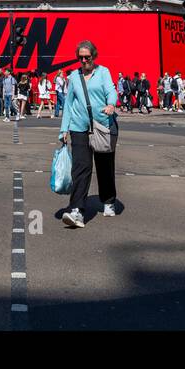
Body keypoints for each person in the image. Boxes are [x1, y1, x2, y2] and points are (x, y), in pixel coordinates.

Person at [58, 40, 119, 229]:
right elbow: (68, 104)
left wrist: (111, 104)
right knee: (81, 168)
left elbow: (111, 91)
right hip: (79, 127)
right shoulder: (73, 77)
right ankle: (77, 210)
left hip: (101, 124)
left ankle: (108, 200)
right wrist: (63, 129)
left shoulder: (103, 72)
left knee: (104, 165)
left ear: (94, 56)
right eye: (81, 57)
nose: (84, 60)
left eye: (87, 57)